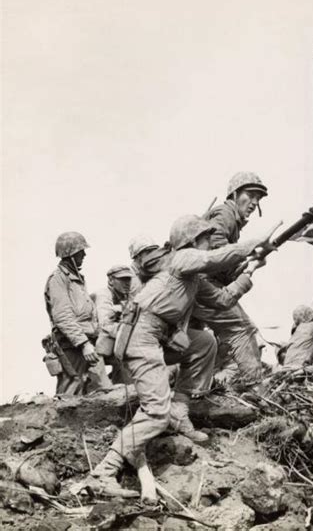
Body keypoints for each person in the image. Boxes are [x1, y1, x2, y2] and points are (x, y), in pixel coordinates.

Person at [89, 215, 276, 503]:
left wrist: (249, 270)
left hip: (158, 336)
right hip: (141, 337)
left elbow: (225, 300)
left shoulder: (192, 278)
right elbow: (217, 258)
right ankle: (103, 472)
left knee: (203, 342)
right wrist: (254, 244)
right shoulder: (181, 259)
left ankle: (180, 407)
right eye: (204, 238)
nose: (208, 243)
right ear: (190, 242)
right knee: (154, 413)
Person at [192, 171, 270, 387]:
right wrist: (246, 254)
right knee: (241, 329)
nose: (254, 202)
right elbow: (215, 244)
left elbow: (222, 262)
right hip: (203, 287)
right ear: (235, 194)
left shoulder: (232, 220)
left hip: (202, 287)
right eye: (250, 195)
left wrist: (247, 262)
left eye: (258, 198)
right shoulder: (226, 214)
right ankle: (256, 390)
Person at [44, 232, 111, 395]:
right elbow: (63, 316)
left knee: (102, 391)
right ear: (70, 254)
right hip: (72, 346)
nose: (84, 254)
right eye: (81, 251)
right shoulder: (58, 279)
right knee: (71, 393)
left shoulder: (76, 279)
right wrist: (83, 344)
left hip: (88, 342)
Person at [95, 265, 134, 384]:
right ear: (111, 280)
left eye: (128, 279)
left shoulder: (127, 296)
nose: (126, 283)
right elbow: (105, 324)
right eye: (122, 280)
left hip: (114, 343)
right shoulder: (103, 294)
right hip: (94, 344)